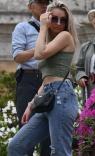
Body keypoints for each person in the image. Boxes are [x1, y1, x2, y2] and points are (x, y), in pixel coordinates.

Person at [8, 1, 79, 155]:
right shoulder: (48, 42)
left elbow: (39, 54)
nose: (59, 23)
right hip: (47, 95)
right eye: (54, 18)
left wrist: (43, 26)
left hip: (62, 97)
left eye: (63, 20)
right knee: (16, 146)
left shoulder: (65, 36)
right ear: (48, 17)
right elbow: (46, 79)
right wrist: (31, 104)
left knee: (59, 152)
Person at [10, 0, 52, 155]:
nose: (44, 5)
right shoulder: (23, 27)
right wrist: (39, 50)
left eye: (46, 2)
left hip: (49, 80)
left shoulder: (56, 27)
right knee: (26, 128)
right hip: (28, 80)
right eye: (40, 2)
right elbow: (18, 56)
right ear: (30, 6)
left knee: (50, 131)